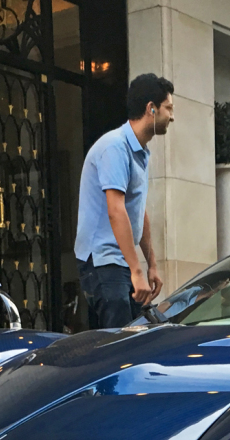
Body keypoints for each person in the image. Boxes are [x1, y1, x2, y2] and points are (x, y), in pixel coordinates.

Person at [74, 73, 175, 328]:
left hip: (119, 263)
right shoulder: (115, 147)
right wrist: (137, 271)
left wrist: (151, 264)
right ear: (151, 109)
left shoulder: (141, 153)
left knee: (139, 336)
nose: (172, 116)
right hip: (103, 261)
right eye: (168, 108)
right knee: (117, 347)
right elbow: (116, 211)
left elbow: (138, 211)